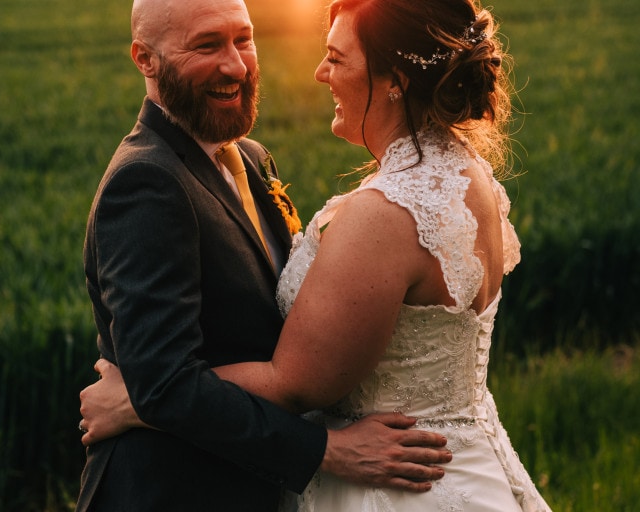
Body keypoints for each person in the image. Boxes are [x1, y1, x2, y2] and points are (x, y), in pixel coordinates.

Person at [80, 0, 554, 510]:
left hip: (397, 476)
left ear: (394, 78)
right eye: (206, 44)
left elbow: (293, 375)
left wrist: (139, 402)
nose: (237, 64)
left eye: (243, 38)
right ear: (144, 58)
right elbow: (172, 377)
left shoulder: (266, 164)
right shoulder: (145, 182)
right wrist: (159, 394)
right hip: (176, 492)